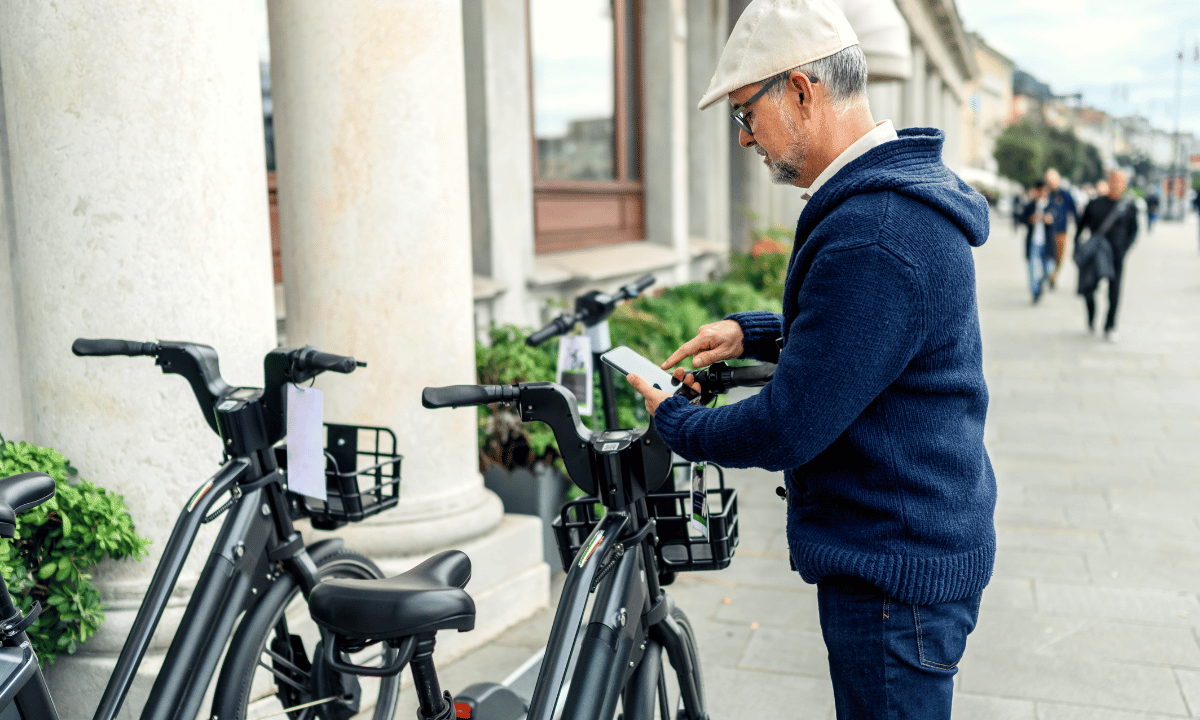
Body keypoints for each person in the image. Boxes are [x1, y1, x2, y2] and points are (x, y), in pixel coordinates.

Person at [624, 1, 995, 718]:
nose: (743, 139)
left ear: (801, 90)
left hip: (894, 575)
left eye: (744, 114)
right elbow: (863, 339)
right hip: (909, 549)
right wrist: (757, 331)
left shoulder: (874, 232)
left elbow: (789, 425)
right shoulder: (886, 208)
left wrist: (678, 422)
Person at [1074, 168, 1138, 341]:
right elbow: (1081, 228)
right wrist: (1077, 247)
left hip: (1117, 256)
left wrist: (1125, 249)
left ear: (1124, 185)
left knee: (1114, 291)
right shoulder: (1094, 204)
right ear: (1108, 182)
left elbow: (1134, 231)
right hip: (1095, 255)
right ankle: (1091, 315)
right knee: (1088, 288)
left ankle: (1110, 325)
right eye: (1114, 180)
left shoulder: (1129, 207)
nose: (1116, 184)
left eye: (1120, 181)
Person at [1022, 180, 1057, 303]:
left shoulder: (1051, 204)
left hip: (1047, 243)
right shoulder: (1031, 205)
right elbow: (1022, 218)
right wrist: (1031, 219)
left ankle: (1041, 282)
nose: (1043, 193)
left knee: (1049, 267)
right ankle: (1035, 291)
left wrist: (1048, 218)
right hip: (1034, 242)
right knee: (1033, 268)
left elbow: (1055, 216)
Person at [1044, 168, 1077, 288]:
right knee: (1047, 254)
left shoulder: (1065, 195)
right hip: (1046, 232)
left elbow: (1074, 212)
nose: (1051, 183)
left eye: (1053, 181)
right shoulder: (1045, 194)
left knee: (1059, 256)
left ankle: (1053, 275)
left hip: (1061, 231)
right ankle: (1047, 273)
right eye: (1049, 181)